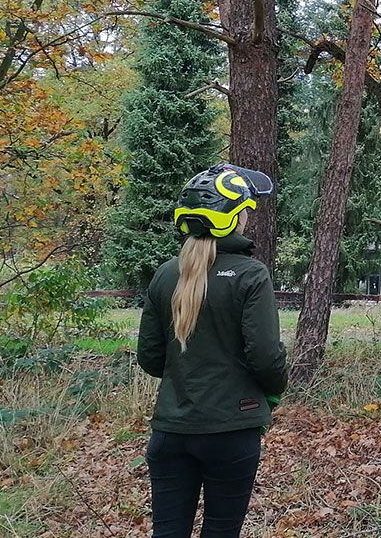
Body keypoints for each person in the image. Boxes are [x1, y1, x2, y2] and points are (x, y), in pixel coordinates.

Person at [137, 164, 288, 538]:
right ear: (233, 218)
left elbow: (151, 358)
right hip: (231, 431)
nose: (249, 216)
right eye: (246, 209)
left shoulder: (166, 274)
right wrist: (273, 389)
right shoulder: (251, 274)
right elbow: (266, 356)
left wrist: (187, 376)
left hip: (170, 431)